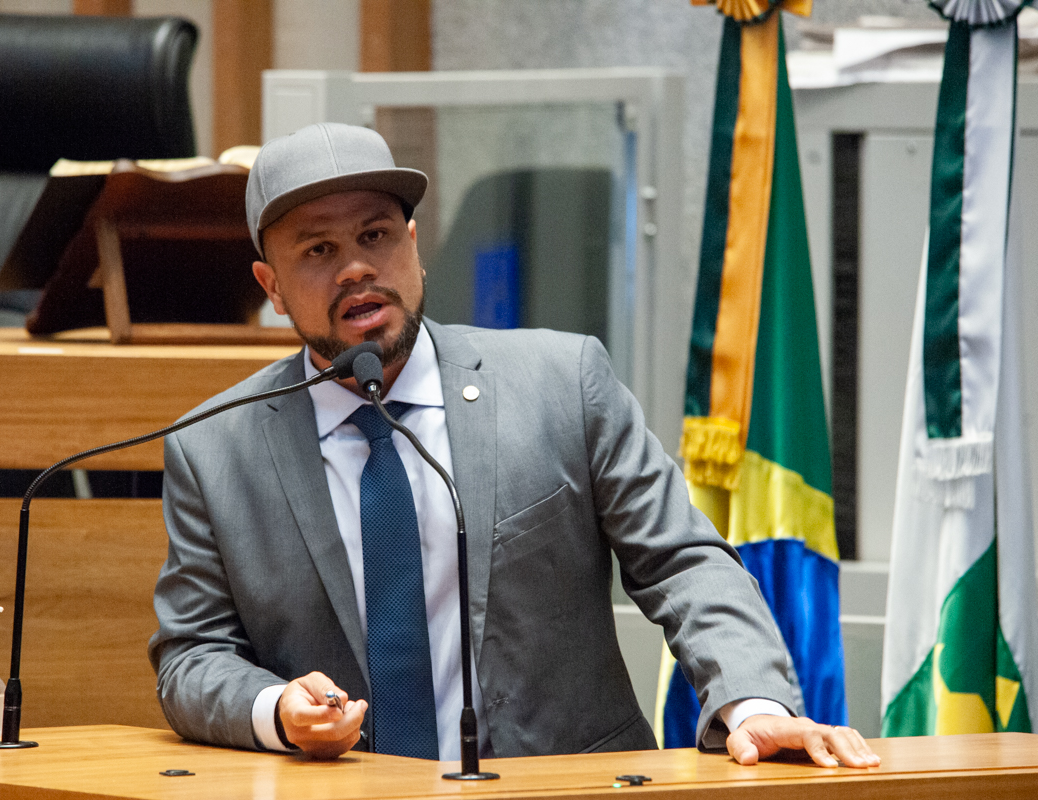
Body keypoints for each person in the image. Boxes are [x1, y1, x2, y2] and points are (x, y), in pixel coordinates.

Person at [148, 122, 879, 769]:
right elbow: (192, 653)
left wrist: (752, 704)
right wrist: (275, 710)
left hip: (565, 791)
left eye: (375, 236)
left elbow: (682, 560)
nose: (356, 269)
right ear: (272, 286)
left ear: (413, 245)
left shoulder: (562, 383)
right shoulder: (213, 451)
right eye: (318, 250)